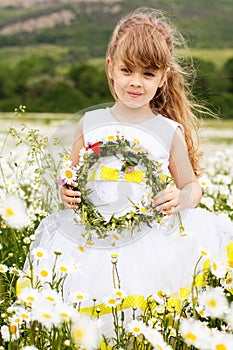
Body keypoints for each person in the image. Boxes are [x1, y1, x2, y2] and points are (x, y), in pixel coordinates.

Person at [22, 7, 233, 336]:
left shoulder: (167, 131)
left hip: (149, 241)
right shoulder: (90, 123)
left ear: (163, 77)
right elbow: (70, 174)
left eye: (148, 74)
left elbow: (193, 186)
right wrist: (65, 190)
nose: (136, 82)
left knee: (141, 322)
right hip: (92, 239)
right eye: (127, 70)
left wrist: (180, 197)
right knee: (91, 323)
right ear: (111, 68)